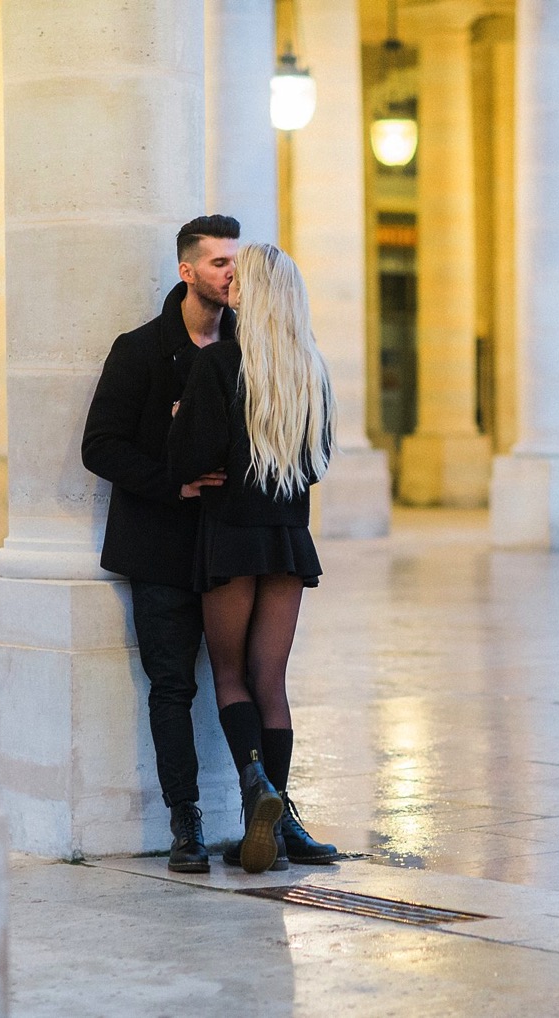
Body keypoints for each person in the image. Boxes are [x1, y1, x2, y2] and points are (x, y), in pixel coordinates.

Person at [168, 242, 341, 874]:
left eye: (240, 279)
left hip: (231, 535)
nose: (230, 285)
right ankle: (282, 818)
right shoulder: (310, 369)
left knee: (231, 675)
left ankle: (255, 789)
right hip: (287, 538)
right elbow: (316, 460)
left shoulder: (219, 367)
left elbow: (188, 462)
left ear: (256, 295)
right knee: (273, 679)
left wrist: (182, 420)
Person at [80, 215, 240, 873]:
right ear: (187, 271)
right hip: (161, 544)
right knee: (173, 684)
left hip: (234, 543)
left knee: (251, 681)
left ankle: (274, 809)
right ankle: (186, 822)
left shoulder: (250, 345)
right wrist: (172, 486)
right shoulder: (141, 348)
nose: (232, 273)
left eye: (236, 262)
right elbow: (100, 445)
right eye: (219, 263)